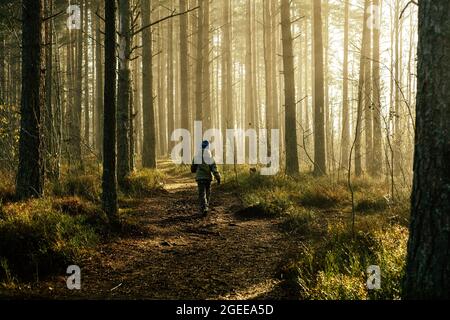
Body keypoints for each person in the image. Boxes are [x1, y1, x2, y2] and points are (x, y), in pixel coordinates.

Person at [191, 140, 221, 216]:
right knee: (207, 193)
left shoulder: (196, 157)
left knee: (202, 194)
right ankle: (206, 207)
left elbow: (193, 168)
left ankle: (204, 208)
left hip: (200, 178)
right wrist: (218, 178)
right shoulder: (210, 157)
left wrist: (196, 169)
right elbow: (214, 169)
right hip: (208, 178)